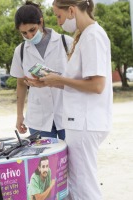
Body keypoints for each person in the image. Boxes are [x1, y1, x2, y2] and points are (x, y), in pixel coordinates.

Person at [38, 0, 113, 199]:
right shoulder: (84, 36)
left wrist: (60, 79)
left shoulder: (93, 36)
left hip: (85, 123)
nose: (57, 21)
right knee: (76, 185)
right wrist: (50, 82)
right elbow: (78, 82)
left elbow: (96, 85)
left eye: (58, 15)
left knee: (84, 187)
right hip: (79, 122)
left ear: (71, 10)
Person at [10, 1, 73, 139]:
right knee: (44, 161)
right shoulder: (20, 51)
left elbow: (77, 79)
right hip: (38, 119)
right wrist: (19, 115)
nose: (29, 36)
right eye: (24, 33)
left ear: (41, 22)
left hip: (67, 114)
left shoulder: (66, 42)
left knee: (72, 159)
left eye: (32, 30)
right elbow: (21, 84)